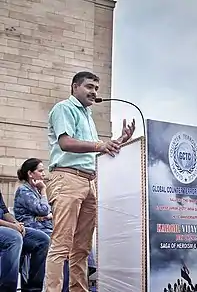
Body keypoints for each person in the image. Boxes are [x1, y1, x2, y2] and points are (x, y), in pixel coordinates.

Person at [45, 71, 135, 292]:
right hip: (66, 179)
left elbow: (95, 152)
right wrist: (100, 145)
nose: (94, 92)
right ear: (74, 87)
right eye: (89, 87)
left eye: (96, 88)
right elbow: (66, 143)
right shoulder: (64, 108)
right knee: (61, 245)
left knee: (82, 248)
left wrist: (119, 141)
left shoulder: (88, 116)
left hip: (89, 182)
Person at [13, 158, 69, 292]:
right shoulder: (24, 190)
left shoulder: (34, 191)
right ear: (30, 174)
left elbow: (47, 212)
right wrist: (44, 190)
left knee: (67, 241)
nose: (44, 174)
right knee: (56, 242)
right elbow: (44, 210)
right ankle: (36, 286)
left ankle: (65, 286)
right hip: (29, 229)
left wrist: (45, 215)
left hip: (42, 227)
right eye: (40, 171)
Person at [0, 190, 49, 292]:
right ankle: (6, 289)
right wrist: (12, 226)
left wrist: (17, 224)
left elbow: (5, 212)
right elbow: (43, 211)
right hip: (5, 228)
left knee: (43, 240)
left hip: (6, 226)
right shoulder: (24, 190)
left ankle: (33, 288)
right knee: (14, 238)